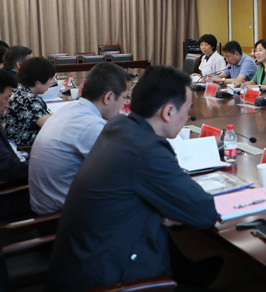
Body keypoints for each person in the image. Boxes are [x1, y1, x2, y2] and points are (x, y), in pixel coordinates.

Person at [46, 66, 220, 291]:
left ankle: (188, 271)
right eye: (187, 109)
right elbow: (205, 213)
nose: (188, 116)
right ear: (168, 112)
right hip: (108, 280)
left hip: (80, 264)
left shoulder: (119, 126)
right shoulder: (146, 150)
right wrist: (172, 210)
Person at [29, 63, 132, 215]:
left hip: (50, 203)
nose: (124, 104)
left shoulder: (70, 110)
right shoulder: (89, 125)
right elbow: (125, 170)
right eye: (125, 97)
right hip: (60, 216)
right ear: (109, 97)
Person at [0, 57, 55, 147]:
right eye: (50, 79)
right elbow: (52, 126)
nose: (51, 83)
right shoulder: (28, 100)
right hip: (24, 148)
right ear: (38, 81)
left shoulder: (17, 90)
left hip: (11, 144)